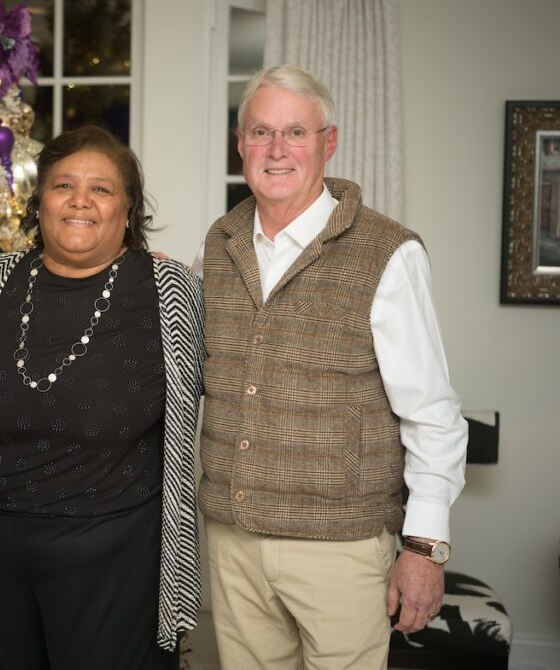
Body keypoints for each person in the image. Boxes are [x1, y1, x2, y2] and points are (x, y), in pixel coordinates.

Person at [199, 64, 469, 670]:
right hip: (232, 543)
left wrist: (425, 547)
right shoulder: (217, 245)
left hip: (340, 550)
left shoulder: (387, 252)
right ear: (240, 143)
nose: (275, 150)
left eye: (295, 132)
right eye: (260, 132)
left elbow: (432, 414)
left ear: (329, 142)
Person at [0, 125, 205, 669]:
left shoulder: (165, 288)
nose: (81, 200)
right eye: (64, 186)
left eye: (103, 189)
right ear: (39, 204)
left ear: (128, 210)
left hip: (115, 554)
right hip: (2, 549)